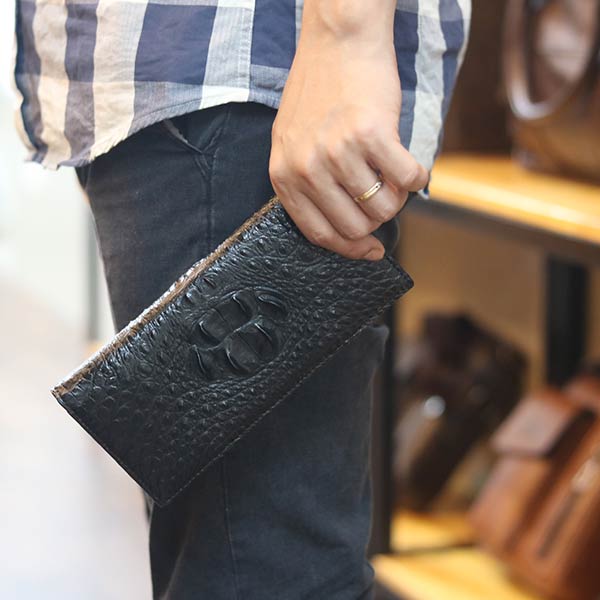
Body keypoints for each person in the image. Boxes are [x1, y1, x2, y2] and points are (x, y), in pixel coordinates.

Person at [14, 1, 470, 598]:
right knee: (231, 555)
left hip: (244, 74)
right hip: (185, 81)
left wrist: (346, 37)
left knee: (261, 569)